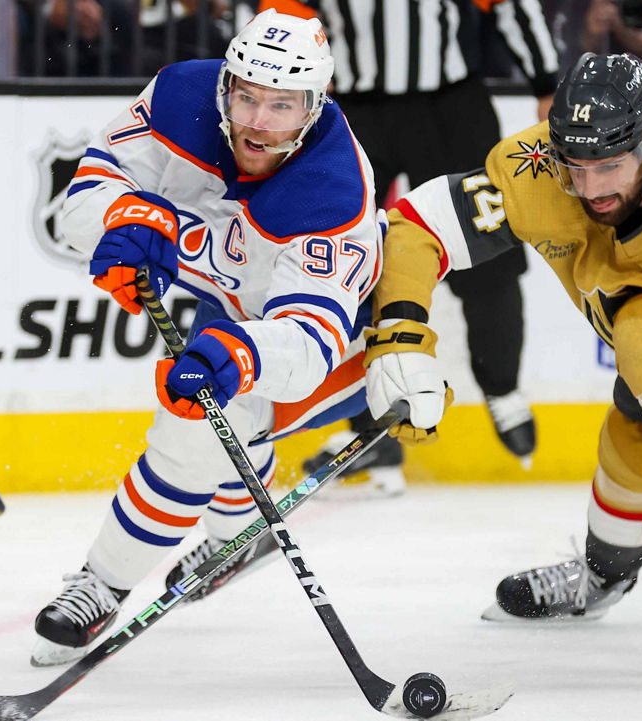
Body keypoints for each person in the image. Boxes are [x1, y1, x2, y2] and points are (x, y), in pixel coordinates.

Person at [30, 8, 384, 666]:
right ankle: (243, 527)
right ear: (225, 84)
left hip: (338, 337)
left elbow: (305, 349)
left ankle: (102, 583)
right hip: (232, 301)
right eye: (246, 95)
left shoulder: (334, 191)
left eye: (281, 105)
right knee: (217, 428)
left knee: (196, 427)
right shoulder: (177, 96)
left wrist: (242, 355)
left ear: (316, 103)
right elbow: (81, 200)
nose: (256, 120)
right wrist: (125, 219)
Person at [363, 52, 642, 667]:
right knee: (640, 421)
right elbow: (416, 225)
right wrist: (401, 332)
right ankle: (603, 576)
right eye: (576, 166)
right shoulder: (537, 169)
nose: (589, 190)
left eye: (610, 166)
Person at [265, 0, 559, 496]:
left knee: (490, 251)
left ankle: (501, 385)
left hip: (450, 105)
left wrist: (546, 83)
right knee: (341, 263)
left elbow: (510, 6)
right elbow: (288, 13)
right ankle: (368, 427)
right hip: (352, 109)